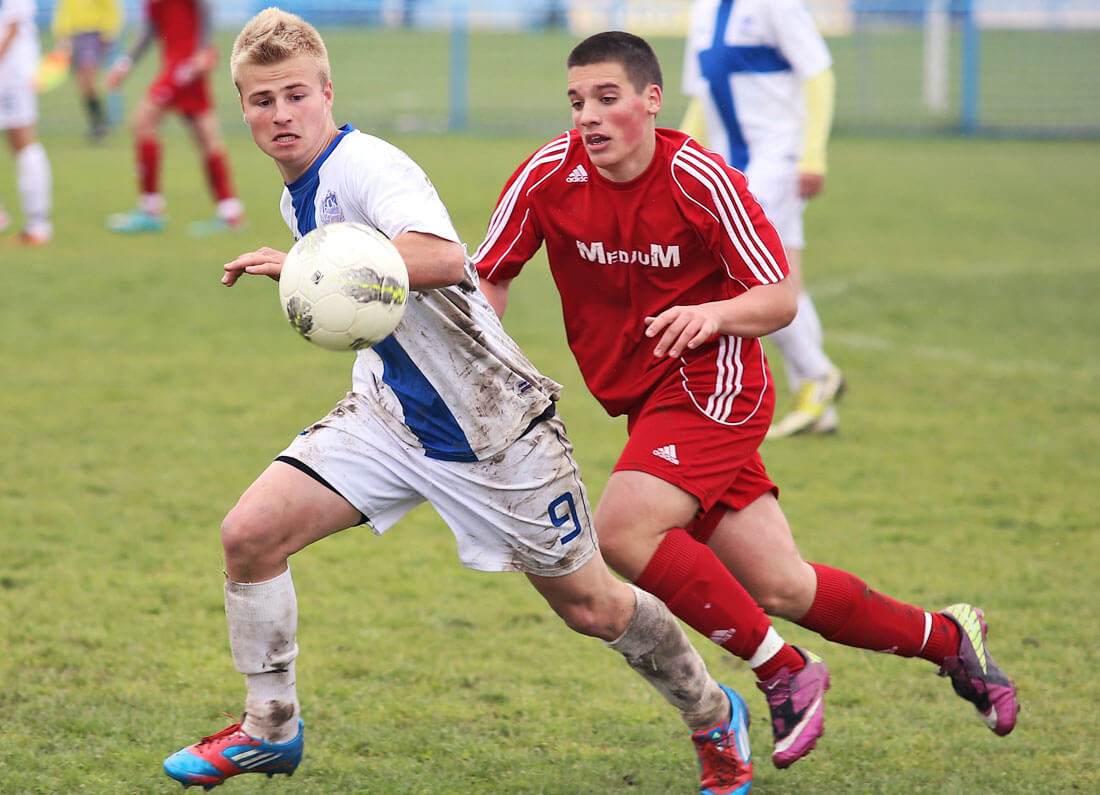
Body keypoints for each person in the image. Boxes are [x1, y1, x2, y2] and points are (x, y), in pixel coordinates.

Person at [161, 11, 753, 795]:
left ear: (327, 92)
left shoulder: (370, 167)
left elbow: (444, 258)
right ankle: (270, 728)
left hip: (495, 431)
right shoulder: (298, 194)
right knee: (250, 534)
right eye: (262, 101)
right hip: (390, 418)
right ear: (242, 107)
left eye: (295, 95)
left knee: (593, 607)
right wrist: (314, 262)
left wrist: (318, 261)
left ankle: (713, 712)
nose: (280, 116)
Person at [473, 31, 1019, 769]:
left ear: (650, 101)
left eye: (607, 98)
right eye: (577, 102)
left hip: (716, 383)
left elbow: (780, 296)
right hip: (647, 400)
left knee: (625, 531)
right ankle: (954, 641)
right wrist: (480, 364)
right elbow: (490, 273)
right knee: (784, 584)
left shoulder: (698, 177)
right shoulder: (549, 174)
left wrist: (714, 315)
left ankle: (782, 669)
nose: (588, 117)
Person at [681, 0, 843, 438]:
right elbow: (703, 97)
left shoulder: (776, 5)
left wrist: (812, 153)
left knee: (747, 275)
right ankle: (817, 402)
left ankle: (817, 372)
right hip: (733, 167)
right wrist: (678, 156)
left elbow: (818, 74)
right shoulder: (702, 12)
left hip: (778, 160)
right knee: (784, 277)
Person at [104, 0, 244, 236]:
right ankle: (230, 212)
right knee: (205, 135)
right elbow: (151, 29)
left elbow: (205, 6)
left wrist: (204, 49)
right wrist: (125, 64)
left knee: (143, 121)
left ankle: (151, 210)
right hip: (177, 62)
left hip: (187, 63)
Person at [0, 0, 52, 246]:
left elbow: (14, 23)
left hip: (11, 73)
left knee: (22, 142)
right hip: (8, 72)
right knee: (19, 144)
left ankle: (38, 224)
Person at [51, 0, 122, 141]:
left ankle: (100, 125)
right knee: (82, 85)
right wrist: (62, 37)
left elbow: (111, 9)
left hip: (93, 34)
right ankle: (98, 123)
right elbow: (64, 11)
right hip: (73, 37)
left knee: (88, 79)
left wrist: (109, 33)